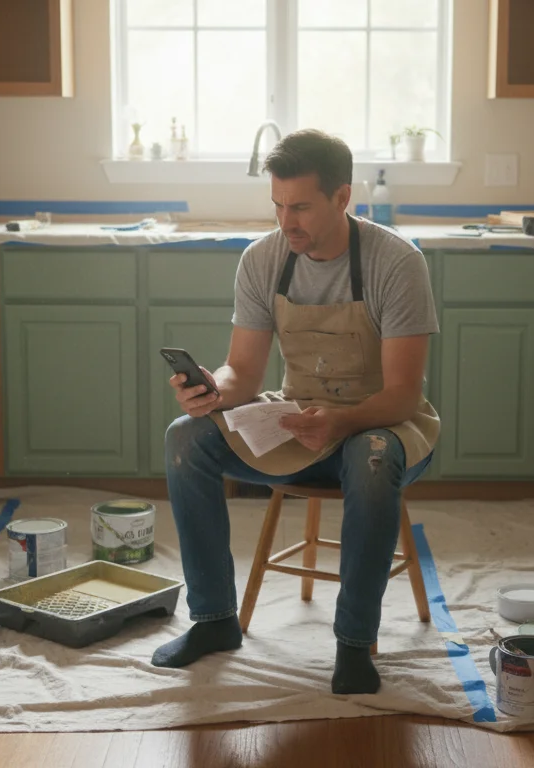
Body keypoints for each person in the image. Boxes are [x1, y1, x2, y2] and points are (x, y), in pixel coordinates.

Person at [152, 129, 441, 695]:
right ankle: (213, 620)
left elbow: (404, 394)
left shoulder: (396, 262)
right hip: (299, 419)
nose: (287, 222)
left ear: (342, 197)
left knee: (371, 458)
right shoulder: (263, 259)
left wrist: (342, 421)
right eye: (278, 206)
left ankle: (353, 645)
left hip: (383, 425)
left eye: (302, 207)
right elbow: (244, 373)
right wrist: (212, 390)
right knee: (185, 437)